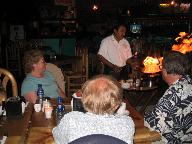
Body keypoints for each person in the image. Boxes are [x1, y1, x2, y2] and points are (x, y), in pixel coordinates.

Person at [52, 75, 135, 144]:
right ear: (117, 105)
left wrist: (55, 129)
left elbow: (58, 139)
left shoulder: (70, 120)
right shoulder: (127, 123)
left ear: (83, 100)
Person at [144, 51, 192, 143]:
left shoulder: (173, 94)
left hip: (175, 140)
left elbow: (153, 125)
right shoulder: (189, 81)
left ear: (165, 71)